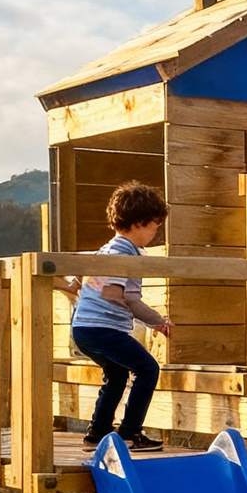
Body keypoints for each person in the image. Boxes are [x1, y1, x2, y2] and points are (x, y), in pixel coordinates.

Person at [71, 181, 173, 452]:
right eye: (154, 225)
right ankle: (130, 433)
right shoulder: (122, 254)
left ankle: (98, 433)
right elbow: (121, 296)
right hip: (102, 329)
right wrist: (156, 320)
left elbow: (86, 280)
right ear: (140, 223)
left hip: (84, 328)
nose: (155, 232)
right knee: (148, 369)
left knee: (116, 375)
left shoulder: (107, 249)